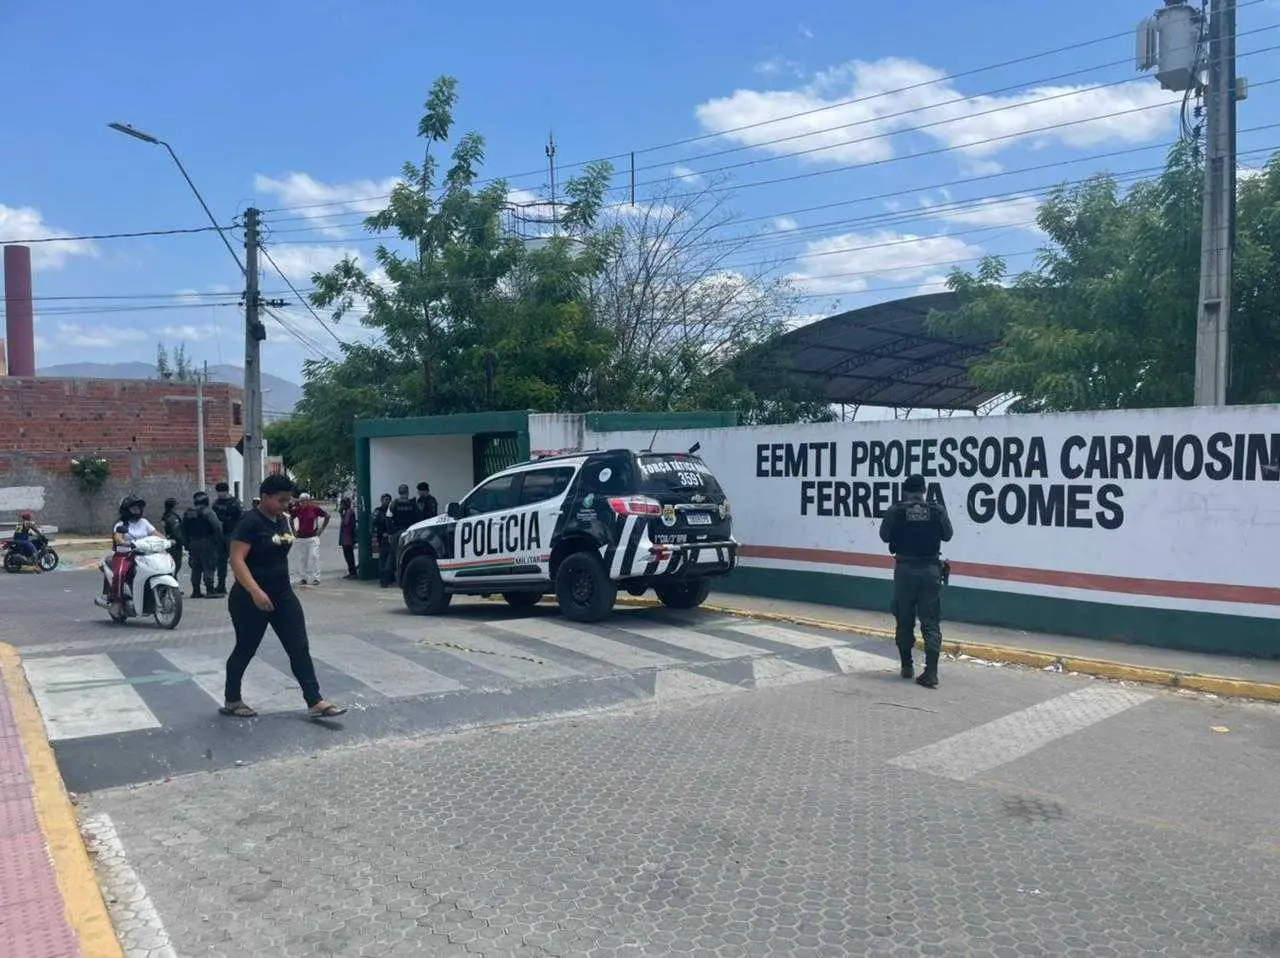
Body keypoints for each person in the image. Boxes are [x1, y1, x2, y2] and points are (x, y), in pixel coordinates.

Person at [221, 474, 346, 719]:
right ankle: (232, 699)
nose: (286, 504)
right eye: (281, 500)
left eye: (288, 500)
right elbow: (236, 560)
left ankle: (314, 700)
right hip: (249, 598)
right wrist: (255, 592)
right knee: (246, 648)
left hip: (283, 595)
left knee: (299, 646)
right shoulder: (250, 523)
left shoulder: (283, 520)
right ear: (265, 497)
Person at [879, 474, 953, 689]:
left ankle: (906, 666)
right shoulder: (936, 510)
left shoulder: (896, 510)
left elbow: (884, 536)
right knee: (930, 621)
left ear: (904, 490)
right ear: (924, 490)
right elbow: (948, 535)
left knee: (904, 618)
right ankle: (931, 672)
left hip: (905, 571)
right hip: (930, 571)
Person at [110, 496, 158, 606]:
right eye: (133, 508)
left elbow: (156, 534)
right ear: (126, 510)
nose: (137, 511)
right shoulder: (121, 524)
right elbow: (118, 537)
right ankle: (116, 601)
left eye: (138, 508)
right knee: (120, 573)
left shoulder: (144, 522)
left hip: (144, 553)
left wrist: (166, 541)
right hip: (125, 555)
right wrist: (123, 542)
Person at [182, 491, 223, 599]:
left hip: (193, 543)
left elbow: (183, 530)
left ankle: (196, 591)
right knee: (209, 566)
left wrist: (187, 544)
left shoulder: (188, 513)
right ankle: (210, 590)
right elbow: (217, 527)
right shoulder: (208, 512)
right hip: (207, 542)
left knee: (196, 567)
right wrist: (218, 541)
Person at [210, 481, 244, 596]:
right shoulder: (216, 503)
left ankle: (240, 584)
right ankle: (221, 584)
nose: (219, 494)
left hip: (232, 535)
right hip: (220, 536)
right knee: (221, 562)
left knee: (236, 561)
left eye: (221, 492)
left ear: (226, 491)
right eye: (218, 492)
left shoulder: (235, 503)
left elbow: (242, 518)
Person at [289, 492, 330, 585]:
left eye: (305, 500)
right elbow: (291, 518)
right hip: (301, 538)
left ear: (308, 501)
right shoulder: (297, 510)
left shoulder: (314, 509)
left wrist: (321, 529)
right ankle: (303, 578)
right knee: (302, 558)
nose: (303, 502)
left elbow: (327, 516)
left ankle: (316, 578)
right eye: (301, 501)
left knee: (314, 556)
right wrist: (293, 531)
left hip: (312, 537)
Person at [372, 493, 395, 587]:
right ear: (381, 500)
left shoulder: (393, 511)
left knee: (390, 560)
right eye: (385, 499)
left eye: (389, 500)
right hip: (382, 538)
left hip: (391, 538)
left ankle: (389, 579)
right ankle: (384, 581)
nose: (387, 501)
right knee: (383, 560)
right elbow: (374, 524)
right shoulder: (378, 511)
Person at [161, 497, 185, 574]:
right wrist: (183, 542)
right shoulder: (173, 517)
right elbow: (177, 532)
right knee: (176, 565)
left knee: (171, 565)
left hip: (167, 543)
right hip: (175, 545)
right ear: (174, 506)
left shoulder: (165, 516)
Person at [338, 497, 358, 579]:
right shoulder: (347, 511)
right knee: (348, 556)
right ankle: (351, 572)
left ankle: (353, 573)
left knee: (349, 556)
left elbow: (345, 523)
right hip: (346, 537)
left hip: (348, 537)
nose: (341, 505)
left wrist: (341, 513)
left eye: (342, 504)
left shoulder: (349, 511)